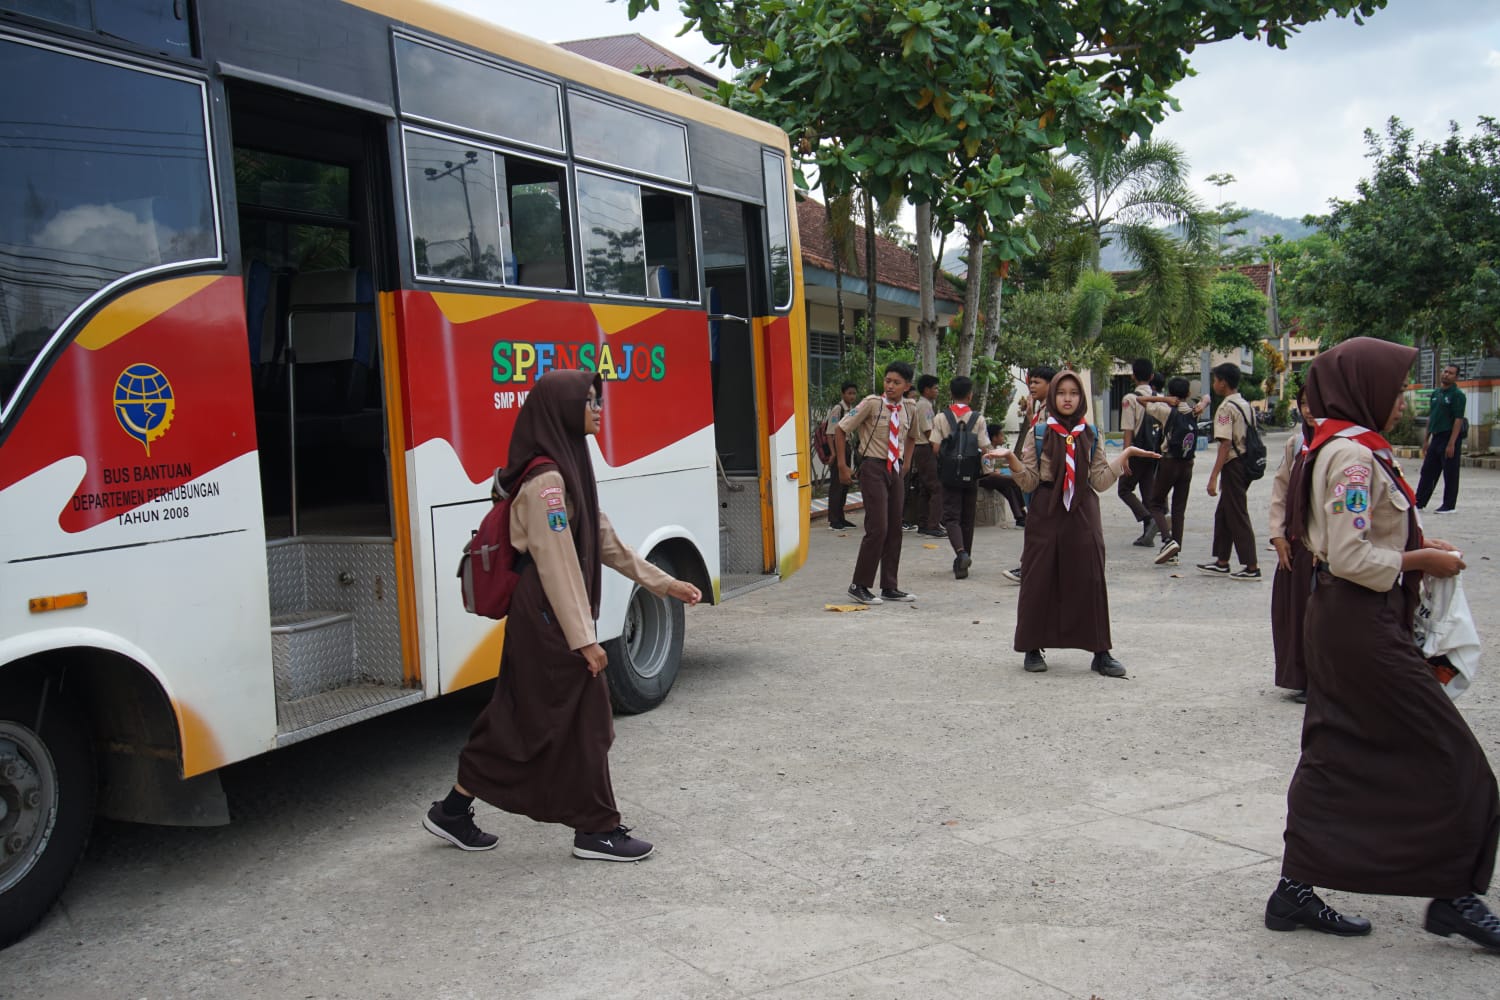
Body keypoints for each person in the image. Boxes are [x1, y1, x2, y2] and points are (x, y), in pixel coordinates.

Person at [1268, 336, 1500, 952]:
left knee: (1335, 749)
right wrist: (1423, 559)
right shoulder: (1350, 456)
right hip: (1357, 623)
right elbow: (1350, 556)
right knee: (1452, 754)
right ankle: (1454, 895)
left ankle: (1293, 890)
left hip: (1350, 618)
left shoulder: (1352, 447)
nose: (1400, 401)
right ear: (1363, 389)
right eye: (1394, 389)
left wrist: (1422, 546)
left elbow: (1365, 534)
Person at [424, 370, 703, 861]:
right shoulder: (547, 481)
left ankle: (452, 809)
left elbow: (604, 542)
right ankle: (597, 829)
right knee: (590, 719)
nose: (599, 408)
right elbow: (556, 565)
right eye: (590, 400)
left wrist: (664, 584)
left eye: (599, 399)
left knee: (518, 719)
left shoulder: (568, 466)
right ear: (562, 409)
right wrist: (584, 641)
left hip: (549, 615)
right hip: (548, 618)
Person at [987, 371, 1158, 677]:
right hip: (1045, 509)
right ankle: (1032, 646)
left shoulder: (1090, 433)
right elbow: (1029, 482)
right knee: (1038, 577)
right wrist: (1011, 461)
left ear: (1081, 399)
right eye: (1061, 392)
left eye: (1074, 393)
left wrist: (1126, 456)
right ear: (1053, 397)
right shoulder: (1038, 433)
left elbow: (1100, 481)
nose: (1067, 398)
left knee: (1090, 576)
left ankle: (1100, 652)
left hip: (1082, 509)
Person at [836, 361, 921, 604]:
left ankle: (889, 586)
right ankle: (859, 584)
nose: (891, 386)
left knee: (896, 527)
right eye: (888, 381)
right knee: (878, 527)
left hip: (894, 469)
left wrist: (906, 465)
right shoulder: (872, 403)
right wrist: (843, 466)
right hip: (873, 467)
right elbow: (842, 430)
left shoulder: (910, 408)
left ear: (907, 386)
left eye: (896, 382)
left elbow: (913, 437)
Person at [1266, 387, 1316, 703]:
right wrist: (1278, 535)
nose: (1309, 410)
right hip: (1295, 548)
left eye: (1316, 403)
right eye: (1304, 403)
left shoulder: (1342, 447)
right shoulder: (1297, 444)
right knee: (1294, 613)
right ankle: (1301, 678)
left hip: (1323, 552)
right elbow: (1280, 491)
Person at [1197, 363, 1261, 581]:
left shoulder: (1225, 408)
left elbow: (1225, 444)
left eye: (1215, 380)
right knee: (1224, 512)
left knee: (1237, 513)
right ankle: (1222, 561)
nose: (1214, 383)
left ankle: (1251, 565)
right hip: (1246, 461)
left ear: (1223, 382)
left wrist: (1213, 477)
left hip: (1234, 464)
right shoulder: (1245, 404)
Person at [930, 375, 992, 579]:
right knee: (967, 516)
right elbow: (985, 448)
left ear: (951, 394)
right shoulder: (978, 418)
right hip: (971, 473)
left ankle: (960, 553)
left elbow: (936, 447)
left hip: (949, 474)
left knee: (951, 516)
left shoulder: (941, 417)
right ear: (970, 395)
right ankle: (964, 561)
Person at [1002, 365, 1057, 586]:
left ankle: (1029, 567)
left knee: (1038, 524)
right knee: (1037, 523)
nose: (1032, 386)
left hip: (1042, 476)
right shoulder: (1040, 408)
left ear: (1051, 385)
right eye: (1030, 382)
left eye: (1037, 382)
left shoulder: (1052, 411)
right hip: (1032, 472)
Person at [1147, 377, 1198, 566]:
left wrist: (1162, 400)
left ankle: (1168, 540)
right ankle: (1176, 552)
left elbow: (1140, 401)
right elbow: (1206, 399)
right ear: (1189, 394)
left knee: (1155, 503)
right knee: (1179, 508)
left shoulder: (1166, 410)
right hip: (1187, 463)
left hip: (1169, 462)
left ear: (1169, 393)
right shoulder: (1194, 411)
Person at [1118, 358, 1167, 547]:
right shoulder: (1160, 397)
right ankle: (1152, 533)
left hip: (1137, 451)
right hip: (1155, 450)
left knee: (1124, 489)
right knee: (1148, 492)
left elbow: (1128, 430)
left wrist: (1125, 456)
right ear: (1152, 376)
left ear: (1133, 376)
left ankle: (1148, 518)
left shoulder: (1130, 399)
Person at [1415, 363, 1466, 514]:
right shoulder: (1436, 393)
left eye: (1450, 373)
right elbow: (1431, 416)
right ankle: (1419, 502)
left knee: (1450, 472)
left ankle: (1449, 505)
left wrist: (1451, 444)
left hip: (1449, 436)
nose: (1446, 375)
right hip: (1436, 437)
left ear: (1456, 377)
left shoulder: (1457, 395)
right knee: (1428, 470)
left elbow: (1458, 420)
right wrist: (1426, 440)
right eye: (1445, 371)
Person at [909, 374, 947, 538]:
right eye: (935, 388)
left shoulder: (926, 405)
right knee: (936, 487)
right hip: (925, 447)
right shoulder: (923, 405)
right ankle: (932, 524)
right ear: (926, 389)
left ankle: (923, 522)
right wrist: (939, 449)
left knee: (925, 487)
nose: (937, 391)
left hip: (923, 448)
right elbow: (928, 430)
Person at [824, 381, 860, 529]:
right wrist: (833, 453)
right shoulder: (838, 409)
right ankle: (833, 519)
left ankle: (841, 516)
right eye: (849, 393)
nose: (852, 396)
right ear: (843, 394)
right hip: (839, 449)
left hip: (847, 447)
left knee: (845, 484)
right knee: (837, 485)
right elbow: (830, 433)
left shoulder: (851, 410)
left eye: (854, 393)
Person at [978, 421, 1027, 528]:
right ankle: (1023, 508)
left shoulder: (993, 448)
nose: (1003, 437)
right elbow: (987, 473)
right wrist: (998, 474)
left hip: (989, 477)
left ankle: (1020, 517)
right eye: (1001, 435)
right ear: (994, 437)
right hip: (982, 479)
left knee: (1008, 488)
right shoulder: (986, 449)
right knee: (1013, 480)